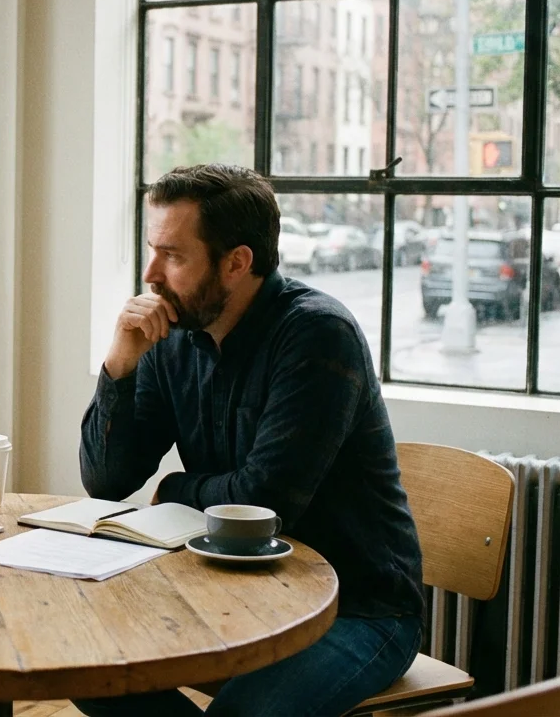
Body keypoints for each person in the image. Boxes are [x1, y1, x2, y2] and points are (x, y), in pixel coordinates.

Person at [75, 165, 424, 717]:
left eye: (174, 255)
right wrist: (119, 364)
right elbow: (108, 480)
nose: (150, 274)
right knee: (88, 661)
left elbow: (265, 502)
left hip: (357, 607)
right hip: (231, 588)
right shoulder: (172, 338)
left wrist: (176, 487)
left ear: (237, 262)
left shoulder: (316, 334)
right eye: (151, 250)